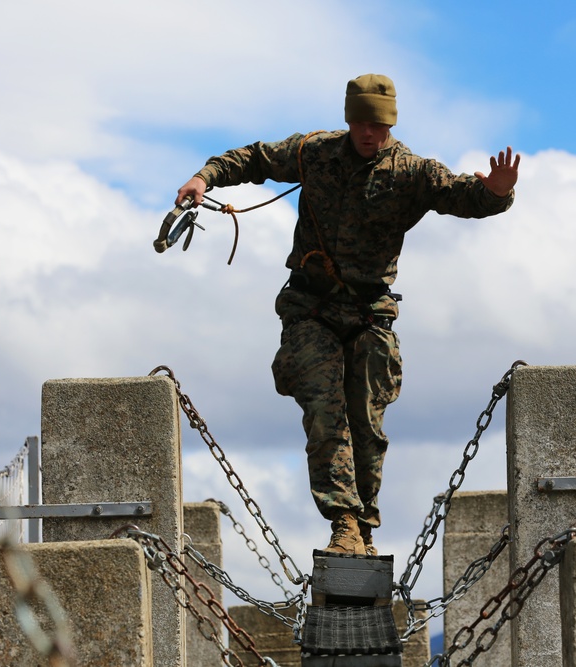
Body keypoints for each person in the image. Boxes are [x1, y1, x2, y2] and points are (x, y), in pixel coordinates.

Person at [174, 74, 519, 556]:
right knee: (324, 408)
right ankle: (343, 522)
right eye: (359, 121)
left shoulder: (411, 172)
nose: (367, 133)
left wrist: (498, 192)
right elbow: (253, 158)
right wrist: (203, 177)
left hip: (369, 311)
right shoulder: (314, 152)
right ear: (348, 119)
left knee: (366, 421)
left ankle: (364, 525)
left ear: (390, 124)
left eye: (377, 124)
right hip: (311, 306)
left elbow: (466, 196)